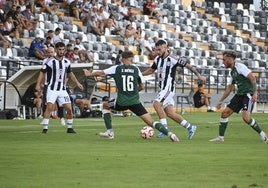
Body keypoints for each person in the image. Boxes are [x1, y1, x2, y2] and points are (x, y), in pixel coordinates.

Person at [83, 51, 179, 142]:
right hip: (135, 102)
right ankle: (171, 134)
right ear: (131, 59)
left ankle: (110, 132)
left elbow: (100, 72)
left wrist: (89, 74)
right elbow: (142, 86)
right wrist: (133, 92)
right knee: (151, 122)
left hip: (122, 102)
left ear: (122, 59)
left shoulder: (116, 68)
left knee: (105, 105)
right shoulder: (136, 69)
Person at [142, 39, 206, 139]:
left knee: (156, 104)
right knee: (170, 113)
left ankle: (164, 129)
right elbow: (151, 70)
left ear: (165, 48)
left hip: (168, 89)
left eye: (159, 49)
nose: (157, 52)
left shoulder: (173, 59)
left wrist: (199, 75)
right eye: (156, 50)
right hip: (162, 89)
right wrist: (139, 75)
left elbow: (188, 66)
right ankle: (190, 127)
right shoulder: (157, 60)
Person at [210, 50, 268, 142]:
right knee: (224, 113)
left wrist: (255, 93)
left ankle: (262, 134)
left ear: (230, 59)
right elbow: (230, 88)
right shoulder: (232, 72)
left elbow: (252, 78)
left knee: (246, 118)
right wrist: (220, 101)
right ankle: (221, 138)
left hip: (248, 95)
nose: (223, 62)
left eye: (224, 60)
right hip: (239, 95)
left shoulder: (240, 67)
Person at [36, 42, 84, 134]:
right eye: (59, 49)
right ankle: (45, 129)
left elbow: (70, 73)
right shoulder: (50, 61)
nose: (61, 51)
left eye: (63, 50)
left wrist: (77, 83)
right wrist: (38, 84)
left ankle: (69, 128)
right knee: (49, 107)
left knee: (69, 108)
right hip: (52, 88)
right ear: (56, 50)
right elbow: (42, 72)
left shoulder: (66, 62)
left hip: (62, 89)